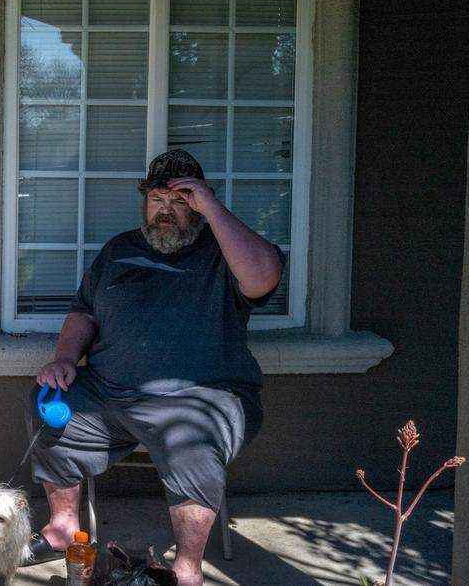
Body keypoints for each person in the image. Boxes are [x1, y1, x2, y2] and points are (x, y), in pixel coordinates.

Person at [23, 149, 285, 586]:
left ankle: (186, 570)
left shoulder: (223, 251)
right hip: (109, 393)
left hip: (201, 398)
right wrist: (65, 359)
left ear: (200, 206)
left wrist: (212, 209)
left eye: (181, 201)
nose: (166, 210)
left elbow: (263, 277)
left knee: (191, 439)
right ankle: (63, 527)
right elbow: (83, 313)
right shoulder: (119, 250)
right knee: (51, 399)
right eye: (157, 199)